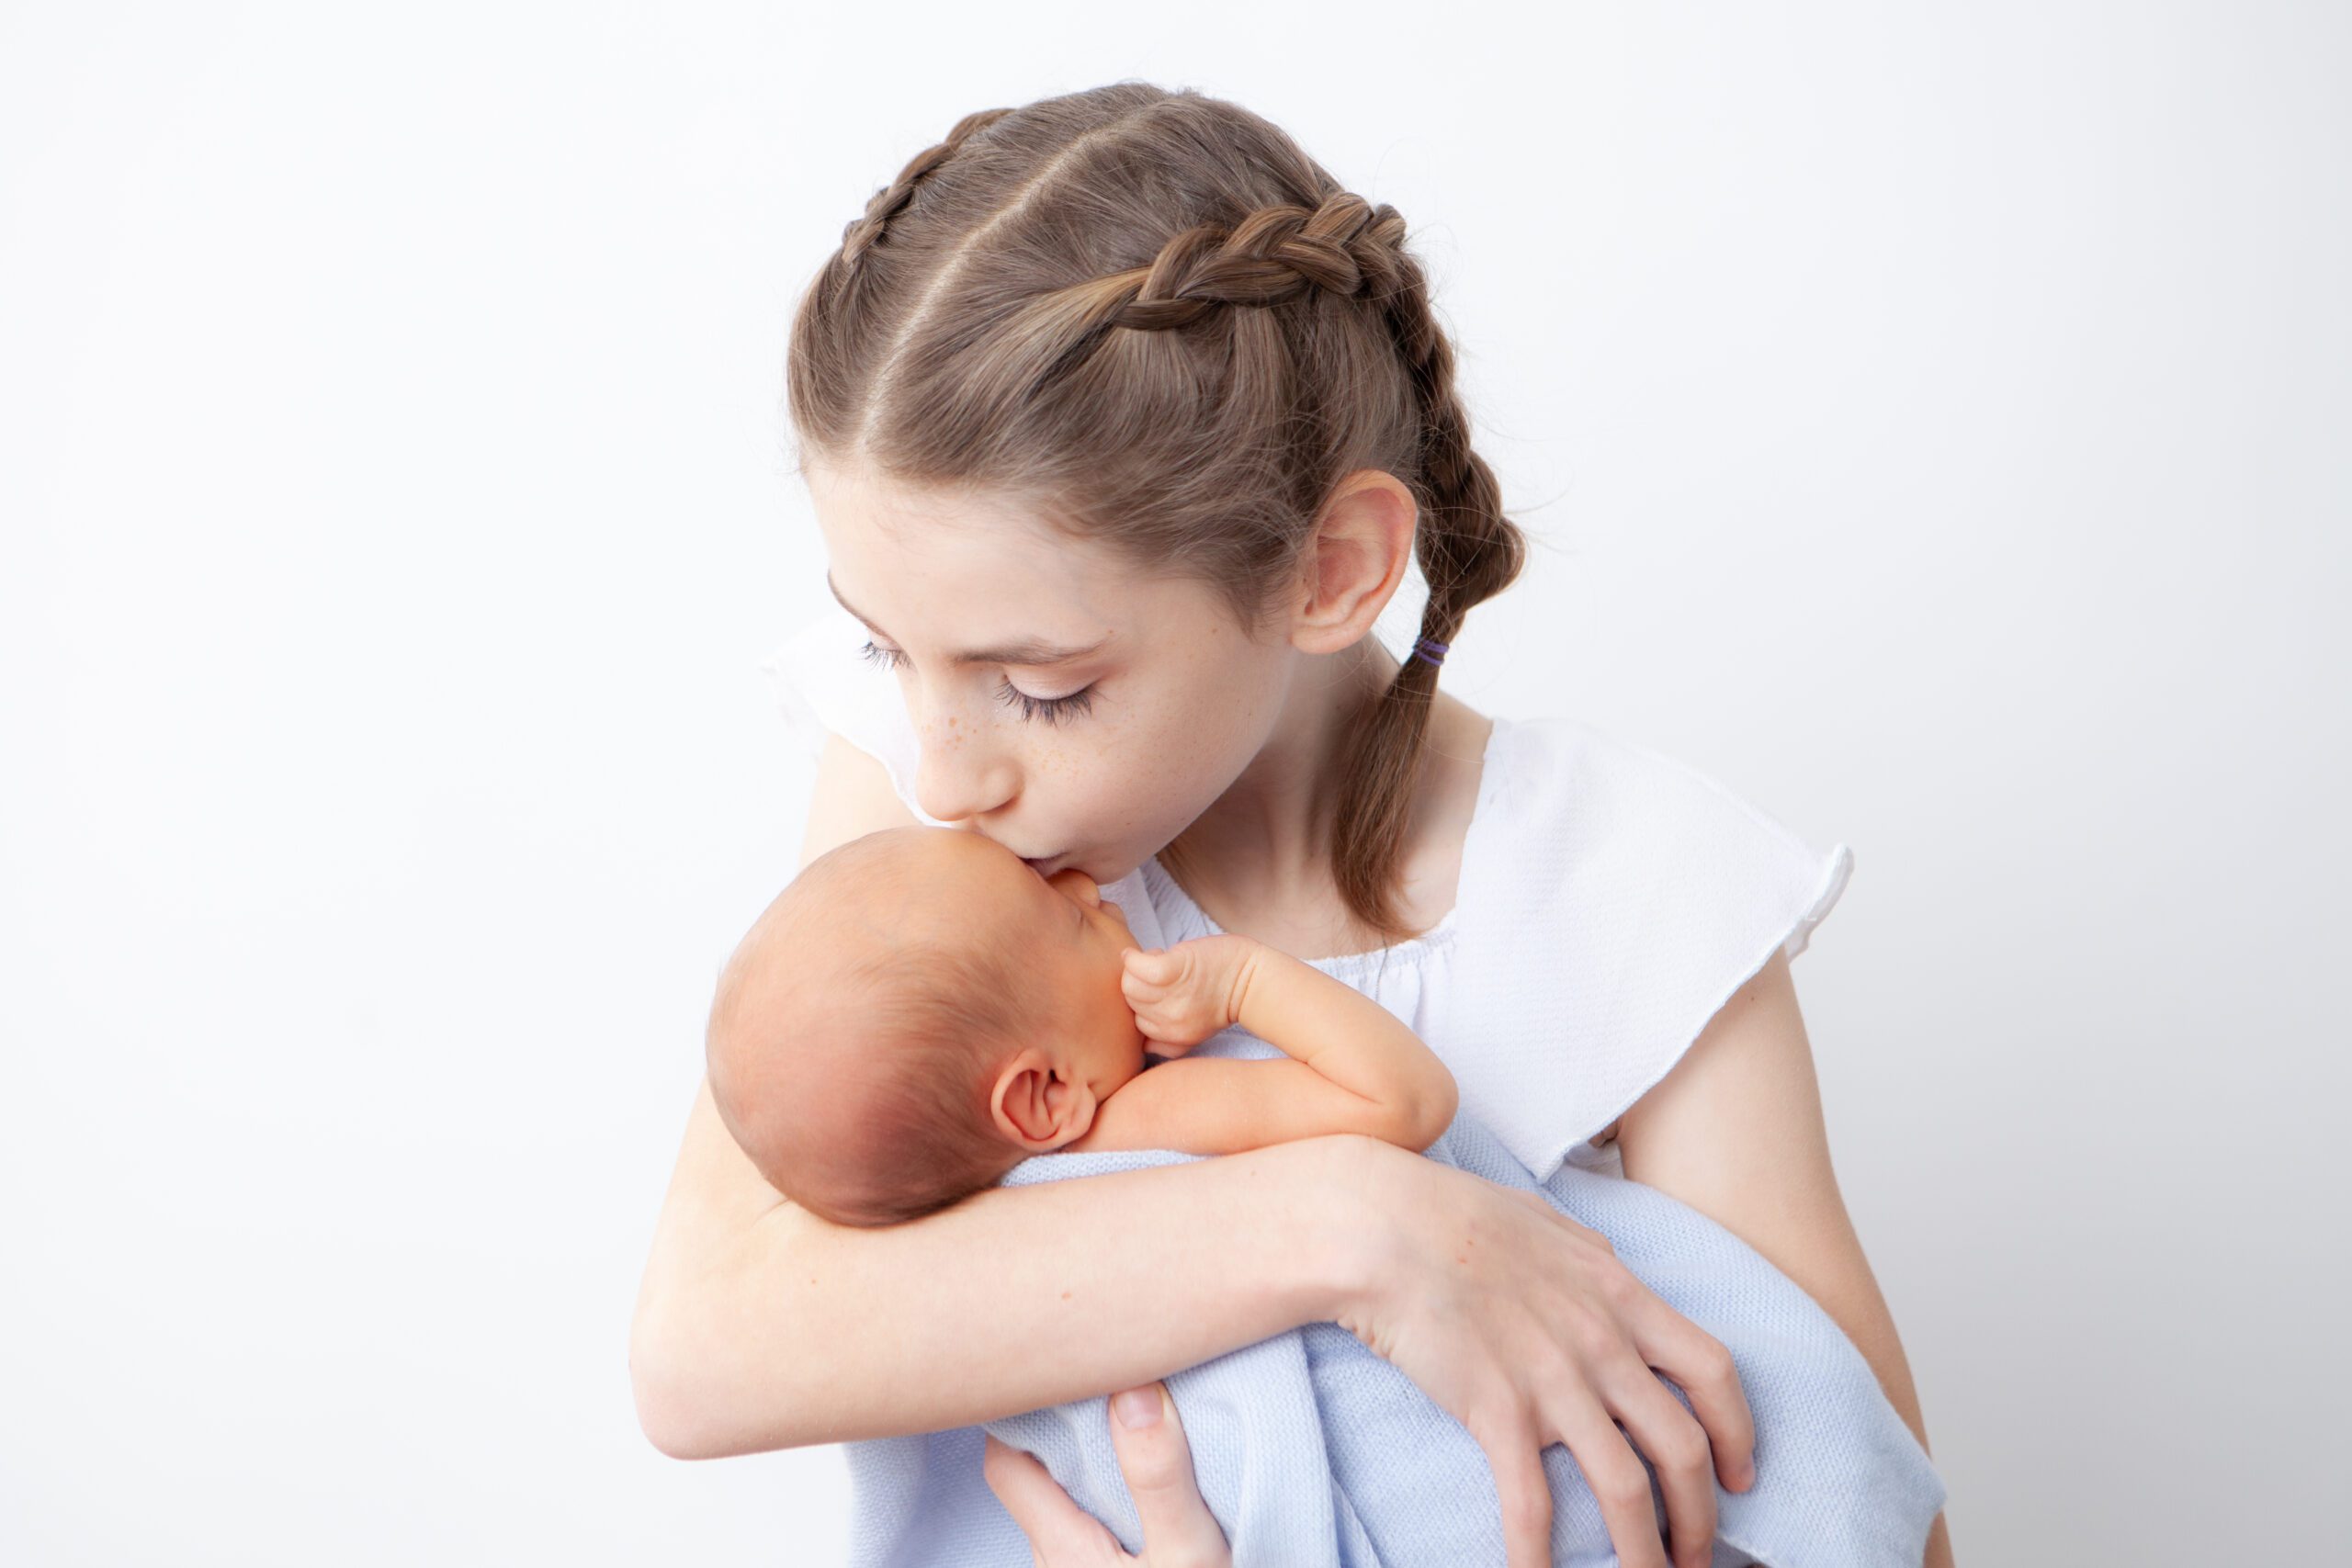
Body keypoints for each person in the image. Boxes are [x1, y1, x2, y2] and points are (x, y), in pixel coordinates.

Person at [628, 81, 1953, 1568]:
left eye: (1046, 687)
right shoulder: (945, 835)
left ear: (1333, 570)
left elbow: (1868, 1511)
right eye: (884, 647)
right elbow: (706, 1348)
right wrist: (1361, 1226)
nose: (944, 770)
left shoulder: (1632, 895)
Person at [703, 822, 1459, 1227]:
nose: (1083, 883)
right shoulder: (1146, 1122)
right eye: (1061, 914)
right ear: (1045, 1095)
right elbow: (1407, 1101)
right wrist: (1243, 981)